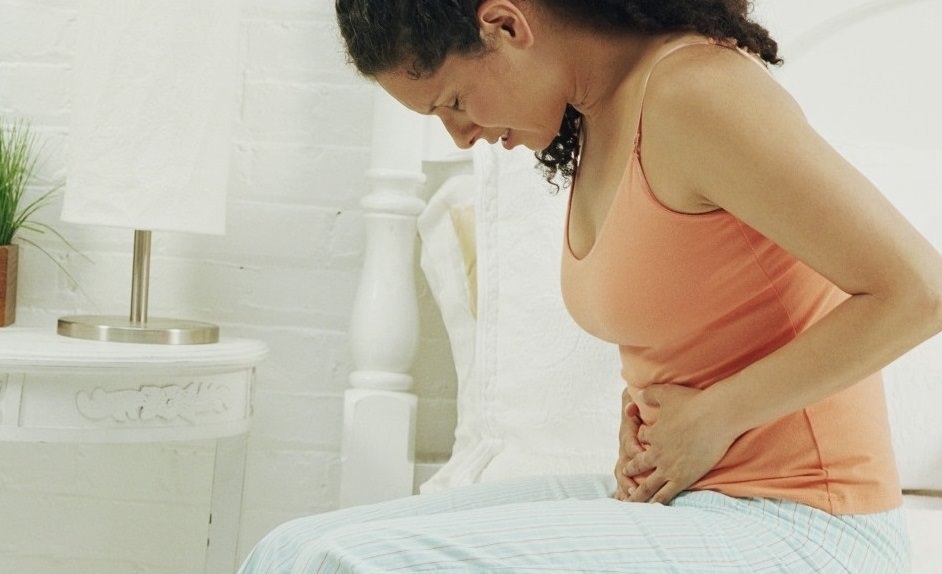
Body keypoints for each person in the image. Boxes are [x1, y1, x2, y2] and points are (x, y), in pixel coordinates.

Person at [239, 1, 942, 571]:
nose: (460, 135)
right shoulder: (601, 117)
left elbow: (919, 291)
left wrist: (713, 419)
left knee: (342, 564)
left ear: (506, 25)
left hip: (808, 528)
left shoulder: (695, 91)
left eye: (453, 100)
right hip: (692, 503)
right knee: (291, 550)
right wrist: (649, 431)